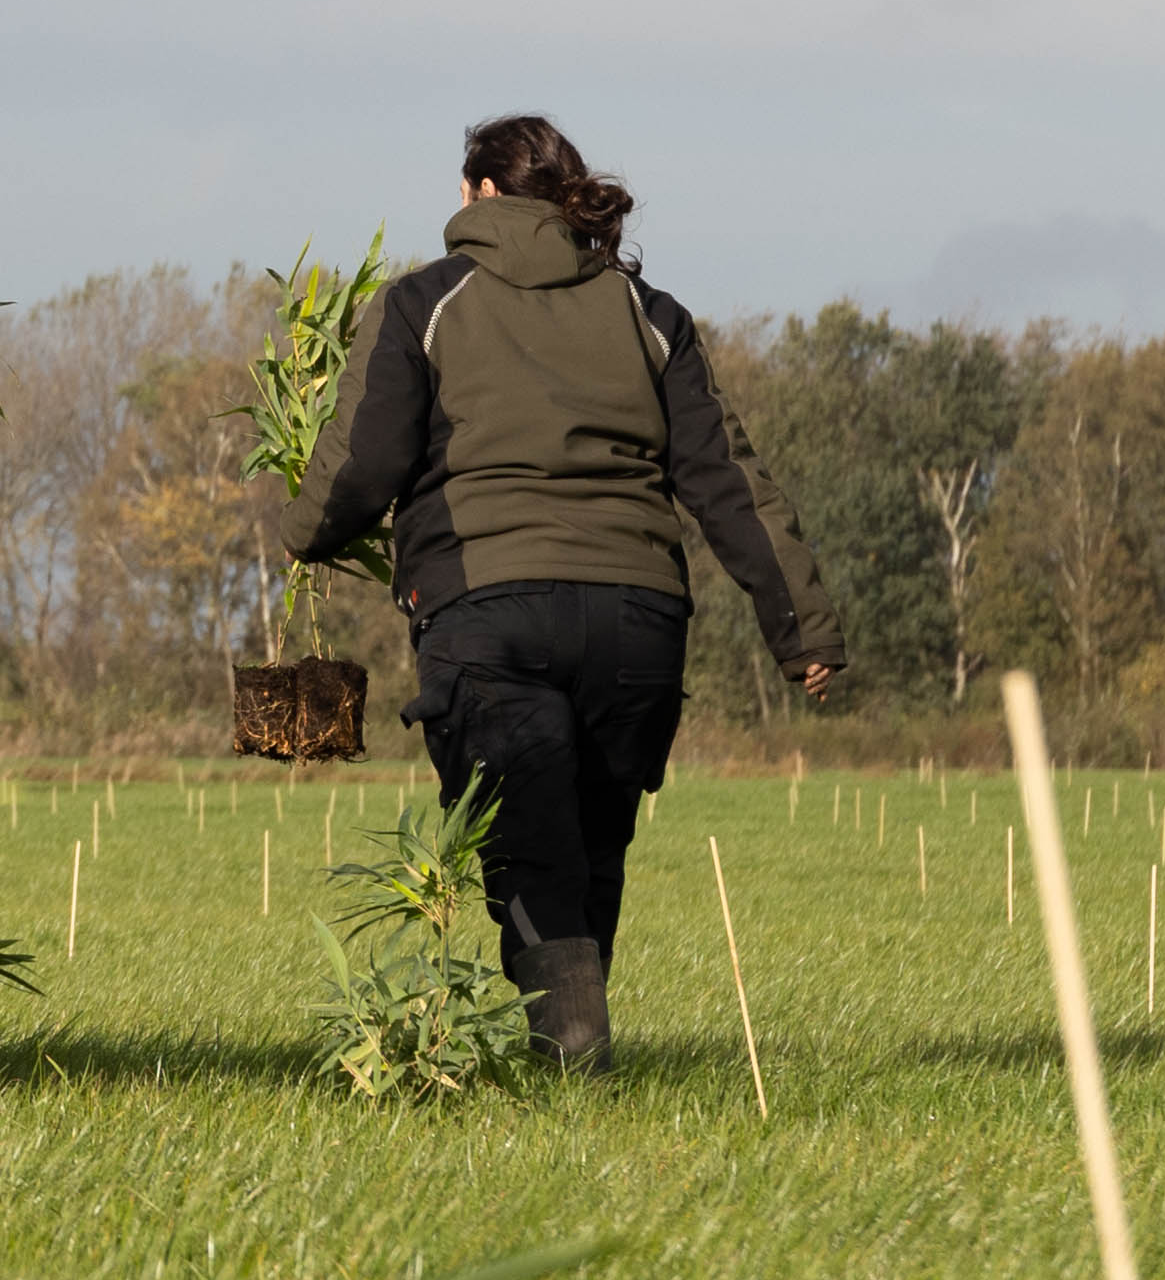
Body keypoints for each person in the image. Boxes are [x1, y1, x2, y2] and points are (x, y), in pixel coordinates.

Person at [289, 113, 835, 1072]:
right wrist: (804, 631)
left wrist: (306, 533)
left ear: (479, 196)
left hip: (488, 610)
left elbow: (365, 463)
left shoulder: (425, 302)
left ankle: (574, 1044)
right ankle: (575, 1055)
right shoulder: (648, 314)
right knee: (591, 845)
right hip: (637, 624)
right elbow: (727, 483)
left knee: (532, 848)